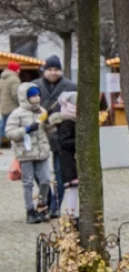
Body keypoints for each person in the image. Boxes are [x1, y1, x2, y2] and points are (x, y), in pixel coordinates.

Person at [7, 83, 53, 223]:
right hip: (25, 153)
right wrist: (26, 129)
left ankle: (41, 206)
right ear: (25, 97)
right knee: (28, 183)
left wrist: (49, 123)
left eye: (37, 94)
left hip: (42, 152)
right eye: (32, 95)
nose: (36, 97)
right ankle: (30, 211)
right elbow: (10, 133)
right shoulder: (17, 114)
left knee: (45, 180)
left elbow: (47, 129)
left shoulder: (41, 111)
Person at [37, 55, 76, 219]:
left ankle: (55, 205)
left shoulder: (71, 86)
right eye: (50, 69)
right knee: (41, 174)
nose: (53, 73)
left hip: (62, 135)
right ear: (44, 71)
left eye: (56, 69)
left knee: (60, 172)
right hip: (40, 135)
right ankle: (46, 200)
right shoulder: (35, 86)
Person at [50, 92, 80, 222]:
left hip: (73, 159)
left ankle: (74, 214)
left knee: (76, 189)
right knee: (73, 189)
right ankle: (71, 215)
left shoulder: (74, 119)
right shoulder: (67, 121)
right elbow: (64, 142)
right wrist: (80, 141)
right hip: (69, 161)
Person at [1, 62, 21, 139]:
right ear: (17, 70)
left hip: (3, 107)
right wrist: (20, 104)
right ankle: (12, 142)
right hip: (12, 108)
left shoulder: (3, 78)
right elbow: (16, 94)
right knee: (13, 127)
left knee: (3, 126)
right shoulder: (14, 79)